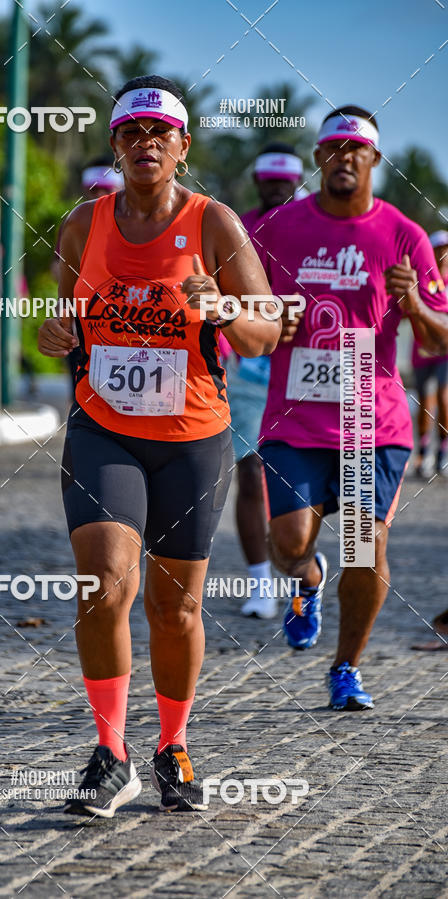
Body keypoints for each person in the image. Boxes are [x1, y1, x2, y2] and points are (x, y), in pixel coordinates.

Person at [38, 75, 280, 816]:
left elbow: (268, 327)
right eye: (132, 133)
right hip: (103, 427)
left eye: (160, 133)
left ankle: (172, 742)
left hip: (194, 439)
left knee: (175, 609)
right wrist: (51, 336)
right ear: (116, 144)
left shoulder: (217, 225)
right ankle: (110, 752)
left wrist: (228, 309)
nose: (146, 144)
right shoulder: (84, 224)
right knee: (105, 581)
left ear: (182, 146)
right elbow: (62, 326)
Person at [250, 106, 448, 710]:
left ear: (375, 161)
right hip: (295, 418)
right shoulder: (277, 229)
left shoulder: (405, 235)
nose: (344, 159)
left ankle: (345, 669)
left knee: (367, 544)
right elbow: (241, 308)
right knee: (286, 542)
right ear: (318, 159)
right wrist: (264, 320)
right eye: (332, 148)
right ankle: (307, 581)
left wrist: (414, 304)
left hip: (373, 421)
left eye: (356, 149)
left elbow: (440, 339)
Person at [225, 143, 304, 618]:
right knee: (250, 474)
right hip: (251, 368)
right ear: (257, 180)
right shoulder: (235, 226)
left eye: (285, 180)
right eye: (269, 180)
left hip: (311, 373)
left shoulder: (318, 228)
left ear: (298, 181)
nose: (277, 187)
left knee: (302, 481)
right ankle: (261, 584)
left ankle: (303, 570)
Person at [51, 157, 124, 396]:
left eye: (106, 189)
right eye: (93, 190)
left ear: (121, 188)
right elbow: (57, 270)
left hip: (129, 326)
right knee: (81, 393)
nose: (99, 194)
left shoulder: (140, 224)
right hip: (81, 326)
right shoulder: (75, 223)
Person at [411, 229, 448, 477]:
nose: (443, 254)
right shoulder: (422, 280)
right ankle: (423, 451)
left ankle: (442, 453)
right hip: (422, 349)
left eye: (446, 249)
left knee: (444, 398)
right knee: (425, 400)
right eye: (439, 249)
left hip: (446, 351)